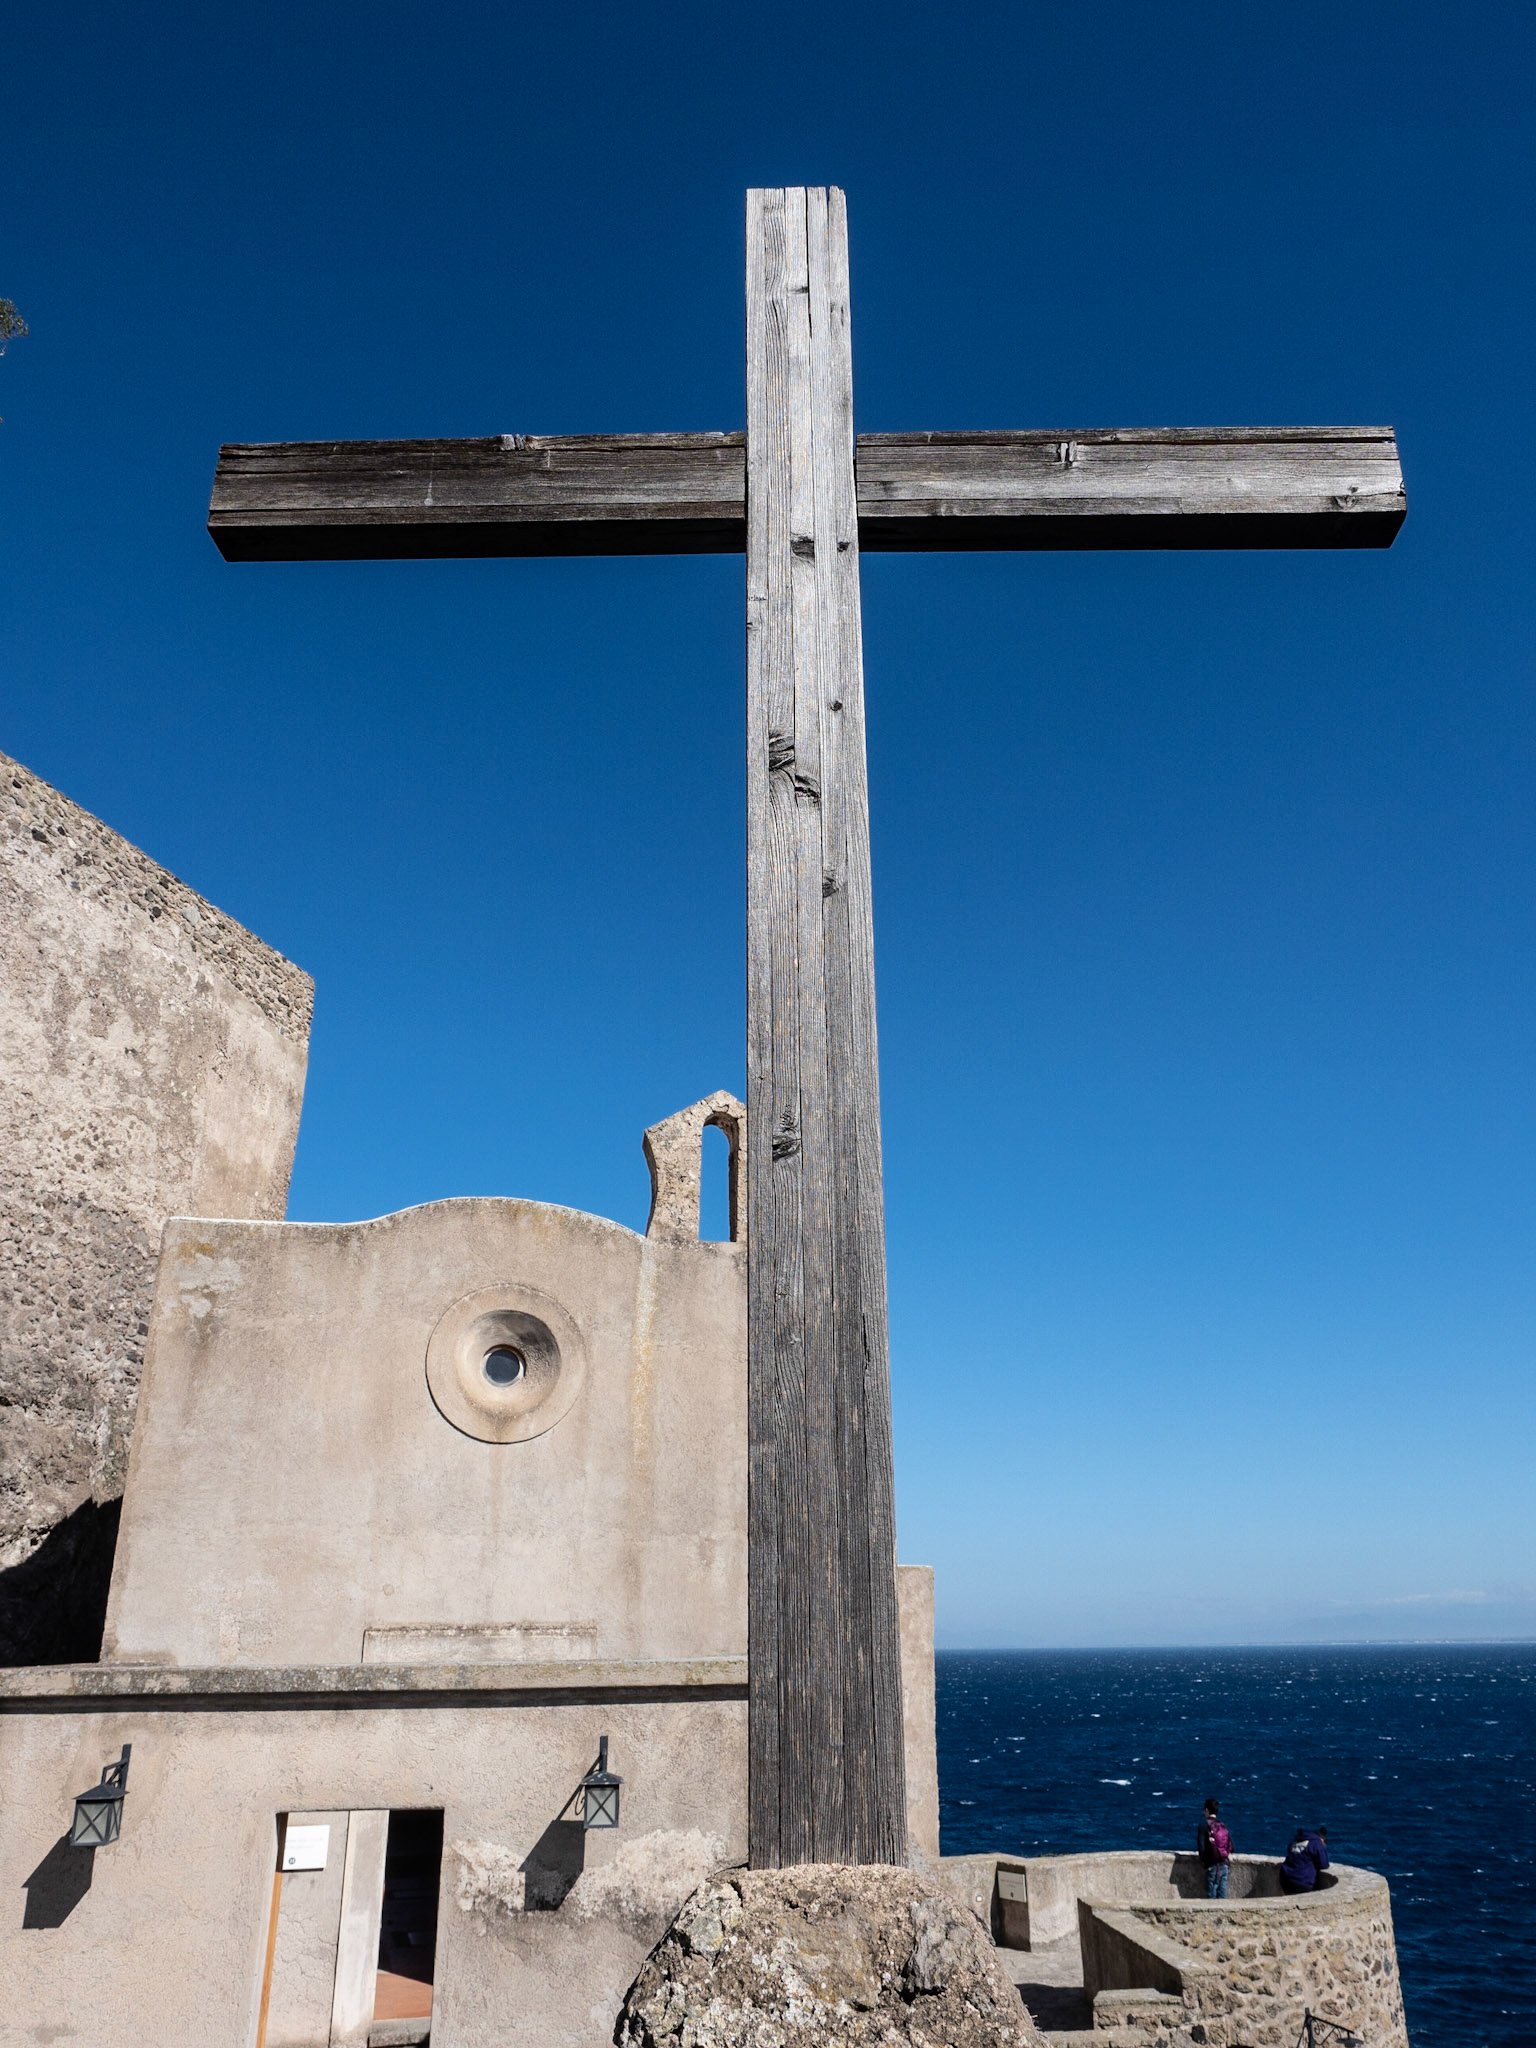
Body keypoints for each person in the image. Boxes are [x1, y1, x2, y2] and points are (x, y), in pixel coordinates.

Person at [1279, 1823, 1330, 1893]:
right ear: (1322, 1839)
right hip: (1302, 1881)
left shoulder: (1298, 1839)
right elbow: (1324, 1864)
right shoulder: (1317, 1843)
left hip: (1286, 1877)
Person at [1196, 1797, 1231, 1898]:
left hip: (1213, 1866)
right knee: (1222, 1896)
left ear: (1206, 1810)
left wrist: (1203, 1861)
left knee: (1211, 1898)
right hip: (1225, 1865)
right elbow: (1232, 1847)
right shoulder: (1223, 1826)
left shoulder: (1203, 1826)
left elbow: (1201, 1848)